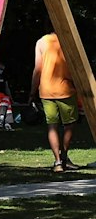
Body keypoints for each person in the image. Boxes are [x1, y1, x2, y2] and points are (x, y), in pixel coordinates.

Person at [32, 32, 80, 171]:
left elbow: (37, 69)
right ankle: (64, 157)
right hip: (66, 89)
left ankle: (58, 162)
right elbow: (75, 67)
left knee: (52, 126)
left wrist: (32, 92)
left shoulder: (41, 41)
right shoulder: (69, 40)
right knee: (69, 125)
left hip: (46, 90)